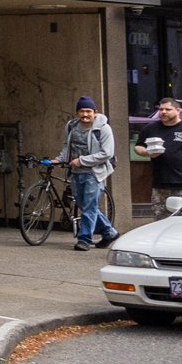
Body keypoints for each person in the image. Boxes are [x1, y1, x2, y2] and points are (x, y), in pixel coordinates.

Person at [57, 95, 120, 251]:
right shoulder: (71, 126)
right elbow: (67, 147)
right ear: (77, 112)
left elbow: (107, 153)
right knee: (83, 205)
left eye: (88, 111)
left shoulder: (103, 129)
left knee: (90, 206)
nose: (85, 115)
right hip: (75, 172)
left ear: (95, 112)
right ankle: (109, 233)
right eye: (81, 111)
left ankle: (84, 239)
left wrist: (82, 160)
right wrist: (58, 159)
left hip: (94, 173)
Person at [144, 97, 182, 207]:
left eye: (168, 109)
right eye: (161, 109)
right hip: (160, 184)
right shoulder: (150, 128)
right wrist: (147, 152)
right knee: (161, 216)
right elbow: (139, 146)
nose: (163, 112)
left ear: (178, 110)